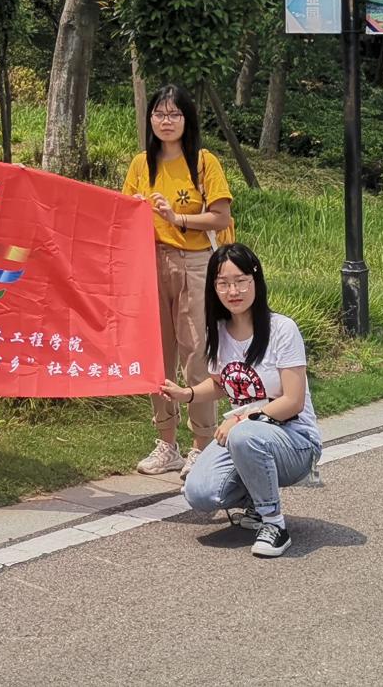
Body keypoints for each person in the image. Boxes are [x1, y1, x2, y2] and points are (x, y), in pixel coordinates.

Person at [162, 243, 321, 558]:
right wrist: (187, 394)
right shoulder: (218, 331)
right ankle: (256, 502)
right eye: (222, 283)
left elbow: (293, 401)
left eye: (240, 281)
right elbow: (223, 383)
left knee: (245, 435)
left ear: (255, 280)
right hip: (246, 436)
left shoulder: (282, 330)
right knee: (200, 493)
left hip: (295, 440)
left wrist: (241, 418)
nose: (232, 291)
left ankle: (274, 523)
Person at [122, 83, 233, 477]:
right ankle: (166, 443)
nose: (165, 121)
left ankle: (202, 444)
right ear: (149, 119)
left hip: (194, 262)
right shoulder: (141, 164)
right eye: (159, 113)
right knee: (156, 356)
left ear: (188, 119)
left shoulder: (203, 162)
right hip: (150, 263)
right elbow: (123, 214)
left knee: (196, 354)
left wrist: (177, 218)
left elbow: (220, 217)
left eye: (174, 114)